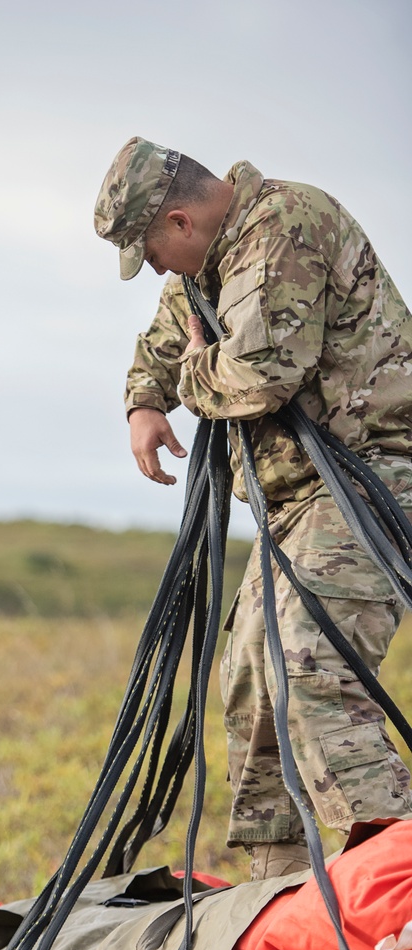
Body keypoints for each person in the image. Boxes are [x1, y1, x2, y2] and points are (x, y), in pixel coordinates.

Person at [94, 137, 412, 880]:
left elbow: (261, 376)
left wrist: (198, 371)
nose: (161, 272)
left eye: (152, 253)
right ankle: (287, 900)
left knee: (308, 662)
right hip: (295, 505)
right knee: (250, 677)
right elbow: (166, 344)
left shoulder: (288, 226)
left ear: (178, 220)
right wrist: (144, 401)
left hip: (372, 482)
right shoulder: (207, 265)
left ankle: (395, 889)